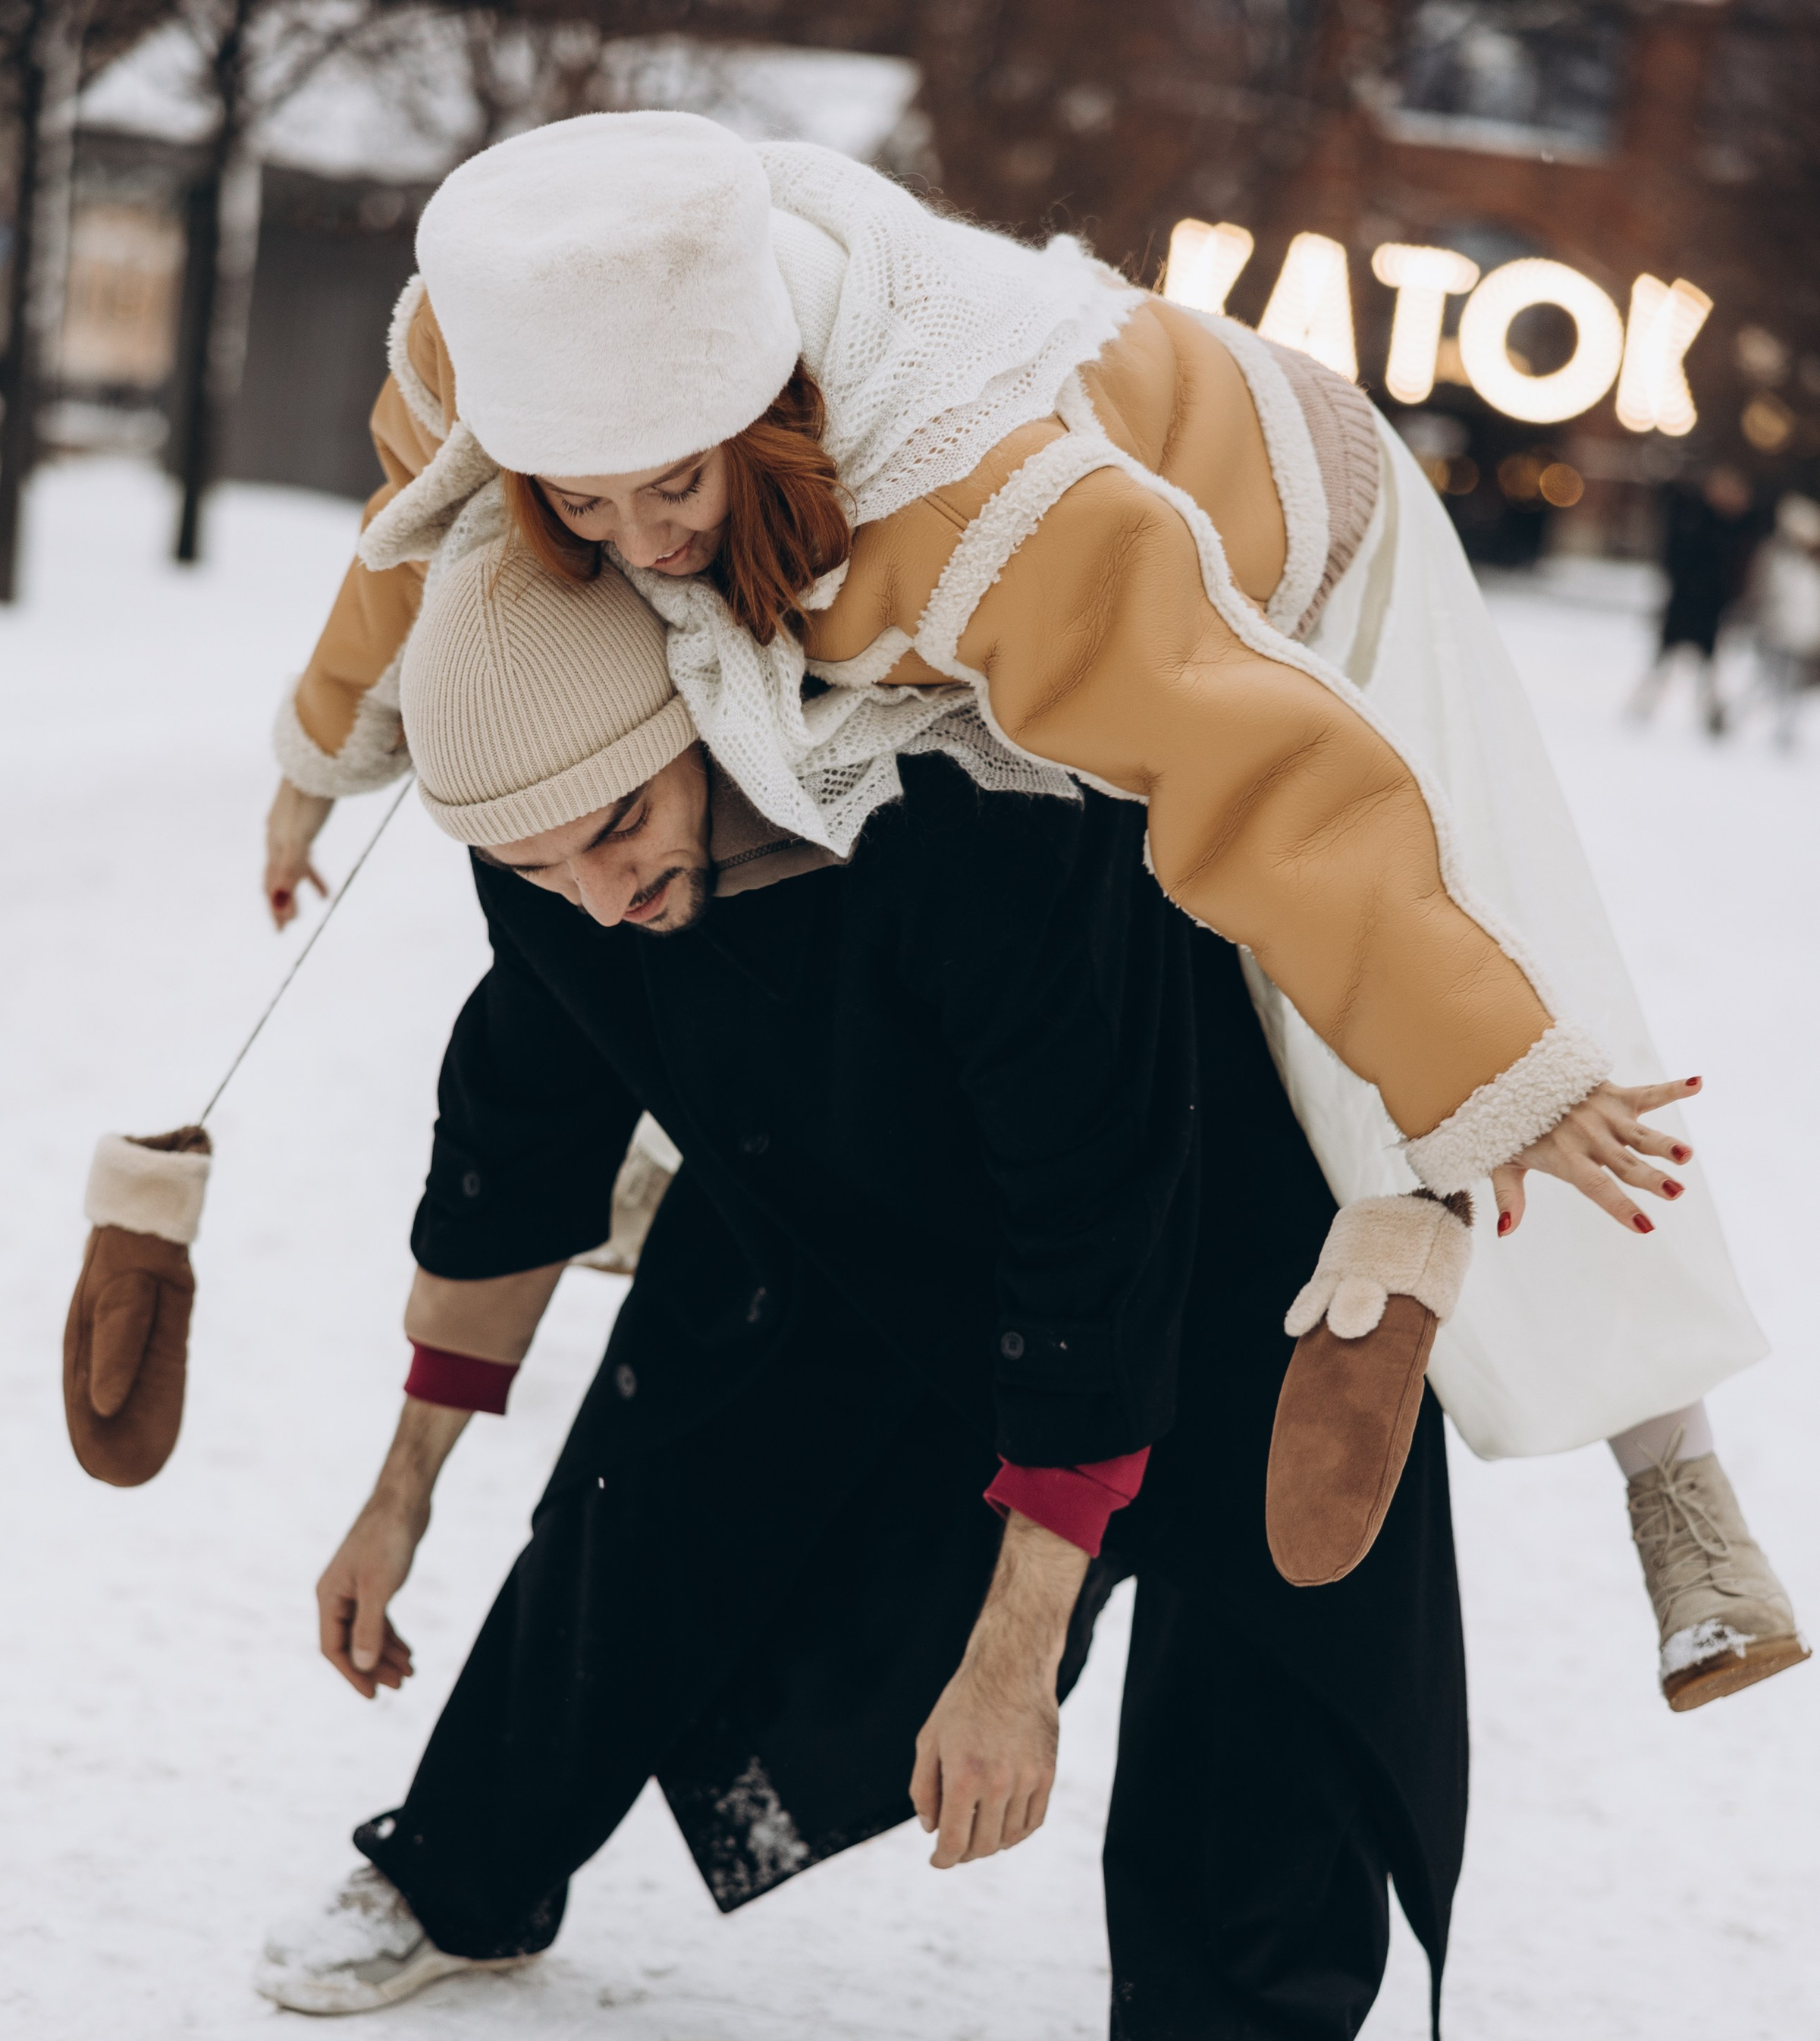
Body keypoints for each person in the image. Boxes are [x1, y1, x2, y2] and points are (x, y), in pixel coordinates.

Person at [264, 115, 1803, 1711]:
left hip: (1293, 549)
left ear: (762, 401)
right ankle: (728, 1159)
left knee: (1472, 996)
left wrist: (1488, 1065)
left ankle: (1671, 1474)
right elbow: (411, 545)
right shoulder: (490, 342)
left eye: (668, 487)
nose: (639, 546)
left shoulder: (977, 504)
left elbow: (1261, 776)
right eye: (580, 506)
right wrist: (320, 754)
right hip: (929, 617)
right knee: (681, 781)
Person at [259, 535, 1475, 2041]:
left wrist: (1006, 1651)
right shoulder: (548, 866)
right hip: (843, 1203)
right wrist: (398, 1495)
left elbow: (1093, 1220)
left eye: (611, 833)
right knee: (652, 1476)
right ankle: (461, 1872)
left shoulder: (973, 824)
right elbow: (515, 1137)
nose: (589, 895)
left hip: (1192, 1224)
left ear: (700, 724)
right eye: (527, 865)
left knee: (1259, 1628)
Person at [1630, 466, 1765, 738]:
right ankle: (1643, 706)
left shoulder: (1738, 527)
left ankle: (1709, 716)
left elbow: (1740, 568)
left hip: (1711, 609)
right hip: (1685, 603)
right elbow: (1674, 556)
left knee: (1708, 665)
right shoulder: (1693, 518)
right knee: (1664, 659)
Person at [1737, 492, 1820, 752]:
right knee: (1768, 682)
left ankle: (1785, 730)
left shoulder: (1813, 565)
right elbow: (1762, 593)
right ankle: (1737, 715)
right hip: (1776, 632)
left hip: (1804, 636)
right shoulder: (1774, 556)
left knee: (1793, 686)